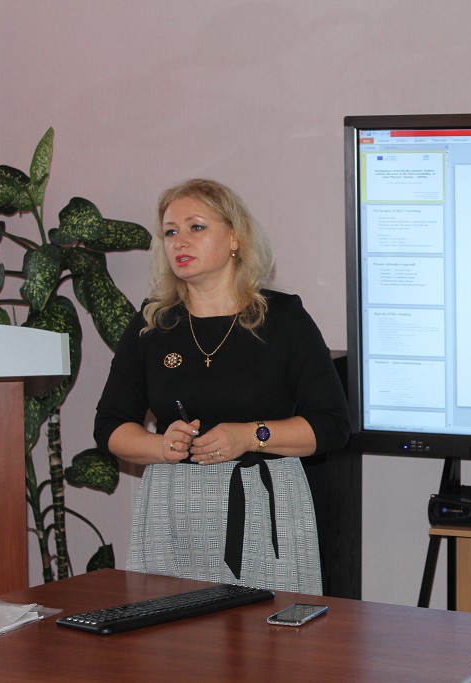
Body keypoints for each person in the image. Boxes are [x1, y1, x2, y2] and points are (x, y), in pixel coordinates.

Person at [94, 178, 349, 594]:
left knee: (269, 634)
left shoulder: (283, 319)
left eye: (196, 227)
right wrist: (160, 446)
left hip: (266, 503)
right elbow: (110, 425)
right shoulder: (153, 323)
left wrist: (250, 436)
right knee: (174, 633)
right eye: (170, 232)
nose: (180, 241)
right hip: (173, 508)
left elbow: (331, 425)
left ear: (234, 238)